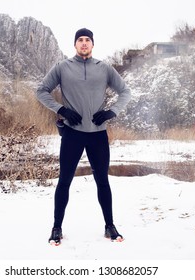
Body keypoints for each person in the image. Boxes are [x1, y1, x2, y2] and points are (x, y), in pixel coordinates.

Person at [36, 28, 131, 245]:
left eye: (88, 40)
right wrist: (61, 110)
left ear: (93, 44)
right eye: (80, 40)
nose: (84, 43)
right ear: (75, 44)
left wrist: (111, 112)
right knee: (64, 182)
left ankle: (110, 226)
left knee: (103, 182)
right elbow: (41, 91)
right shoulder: (62, 67)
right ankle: (56, 228)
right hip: (72, 134)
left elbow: (125, 92)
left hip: (97, 134)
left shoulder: (104, 68)